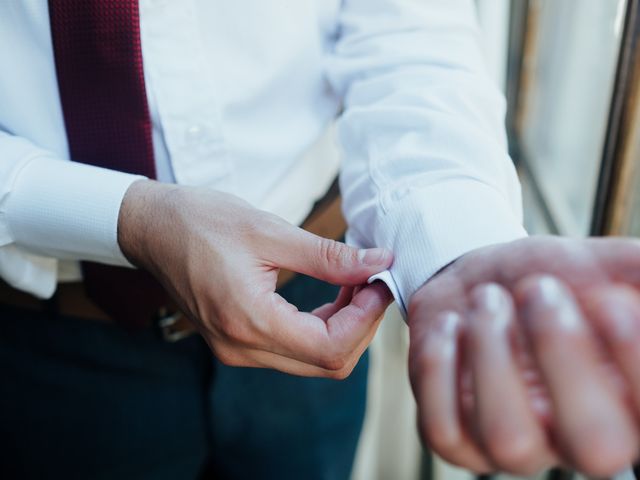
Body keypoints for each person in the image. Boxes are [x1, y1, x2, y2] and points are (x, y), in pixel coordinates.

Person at [1, 0, 639, 478]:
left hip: (314, 321)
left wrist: (457, 248)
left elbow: (404, 21)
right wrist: (129, 217)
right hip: (41, 348)